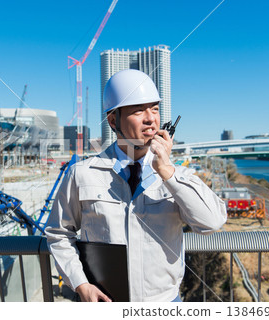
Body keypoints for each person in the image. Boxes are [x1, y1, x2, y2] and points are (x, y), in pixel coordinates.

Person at [45, 69, 227, 302]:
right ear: (113, 121)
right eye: (138, 110)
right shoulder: (82, 174)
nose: (150, 118)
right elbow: (58, 233)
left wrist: (167, 173)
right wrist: (80, 284)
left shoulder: (177, 174)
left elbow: (211, 222)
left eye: (155, 109)